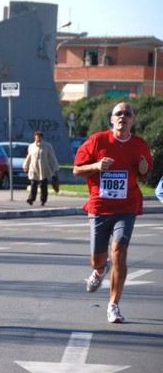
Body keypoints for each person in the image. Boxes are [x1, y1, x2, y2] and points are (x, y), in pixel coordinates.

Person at [73, 102, 152, 324]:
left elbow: (145, 176)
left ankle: (113, 305)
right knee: (97, 260)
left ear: (133, 120)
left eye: (127, 114)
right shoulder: (97, 141)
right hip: (100, 207)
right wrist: (97, 166)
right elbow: (77, 169)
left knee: (119, 252)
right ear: (111, 119)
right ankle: (100, 270)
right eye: (118, 113)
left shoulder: (139, 145)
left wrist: (145, 173)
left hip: (126, 207)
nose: (122, 117)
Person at [23, 131, 59, 206]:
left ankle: (43, 200)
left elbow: (52, 157)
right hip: (34, 168)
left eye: (38, 137)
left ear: (41, 137)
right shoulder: (31, 146)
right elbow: (28, 157)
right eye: (36, 137)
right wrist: (26, 165)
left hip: (43, 168)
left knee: (43, 185)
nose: (37, 139)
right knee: (33, 184)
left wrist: (55, 168)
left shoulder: (47, 146)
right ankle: (31, 199)